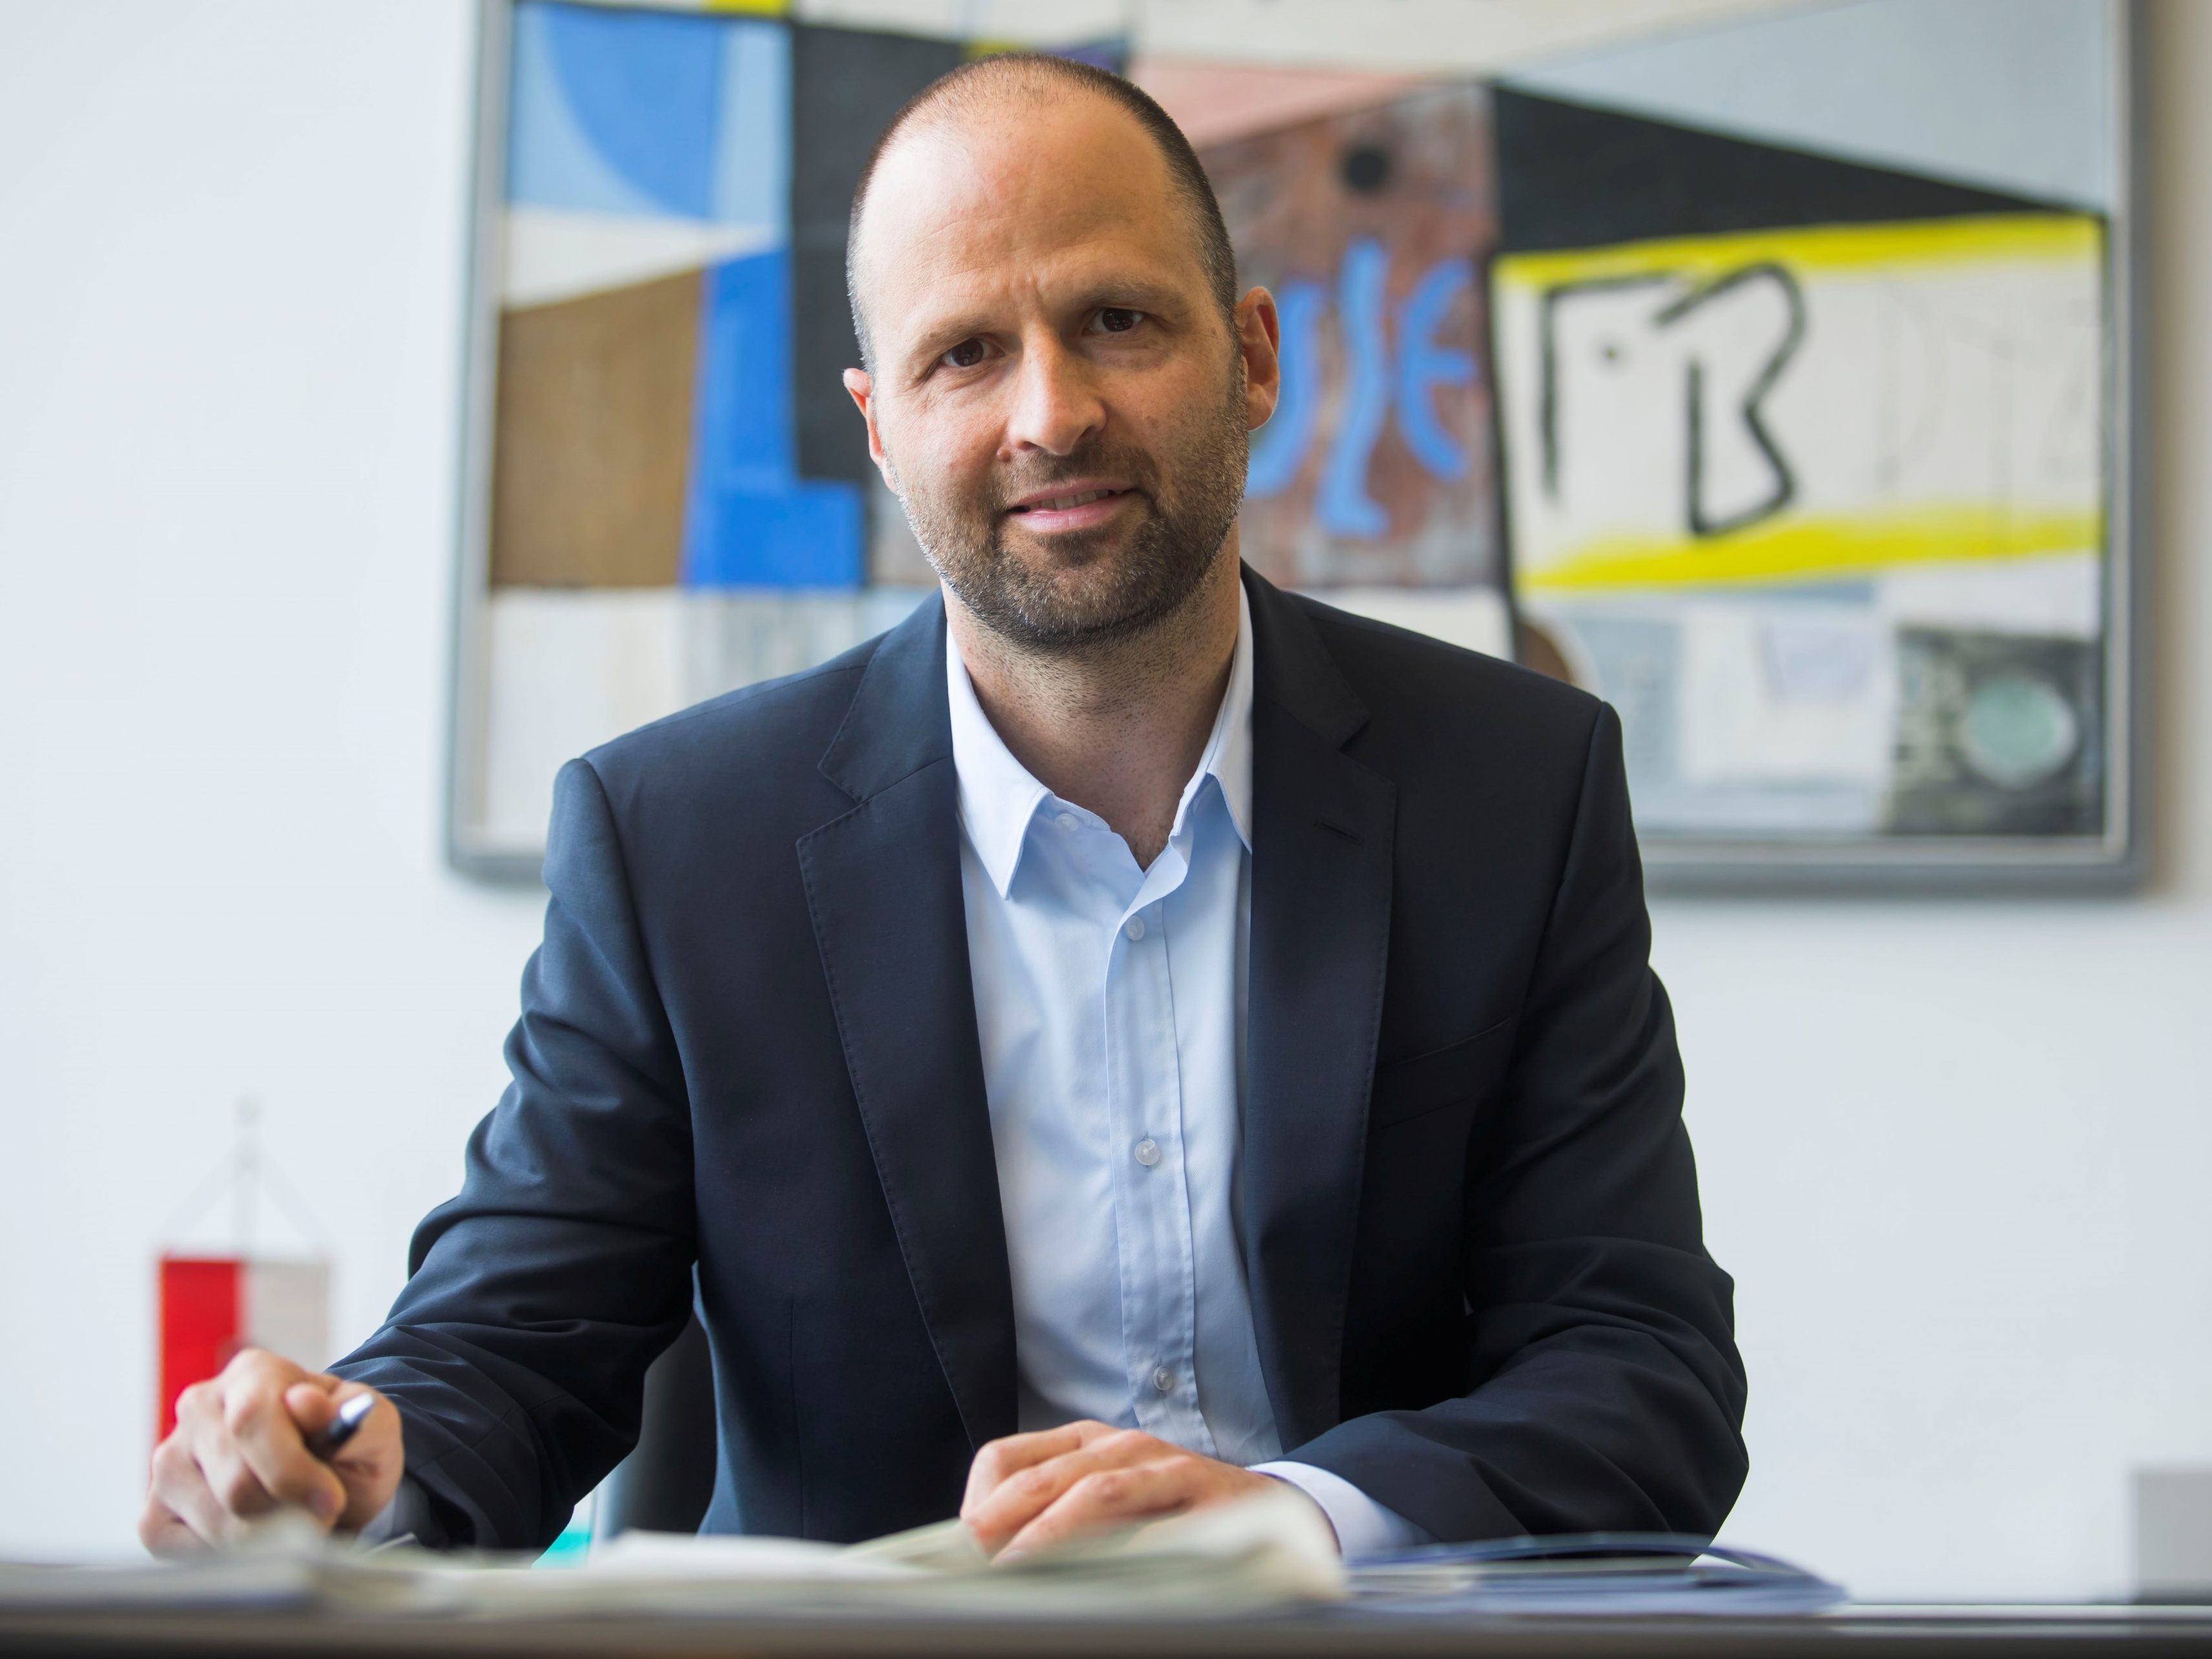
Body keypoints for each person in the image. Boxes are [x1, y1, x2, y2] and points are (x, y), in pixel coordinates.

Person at [141, 54, 1746, 1561]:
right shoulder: (679, 841)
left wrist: (1291, 1517)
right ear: (879, 426)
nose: (1050, 413)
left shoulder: (1513, 788)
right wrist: (353, 1456)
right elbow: (512, 1335)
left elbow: (1640, 1370)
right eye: (965, 351)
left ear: (1254, 356)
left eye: (1117, 319)